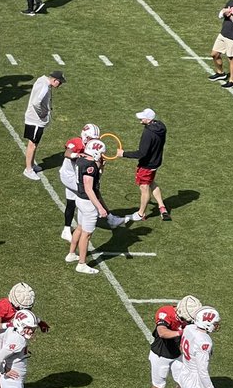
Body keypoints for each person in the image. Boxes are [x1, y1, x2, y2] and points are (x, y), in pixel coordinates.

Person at [146, 296, 199, 388]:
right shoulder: (166, 312)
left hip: (177, 354)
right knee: (158, 386)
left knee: (183, 382)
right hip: (161, 355)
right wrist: (181, 332)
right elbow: (162, 332)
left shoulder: (189, 318)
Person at [67, 138, 119, 275]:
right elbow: (90, 189)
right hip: (87, 202)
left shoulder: (82, 160)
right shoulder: (89, 166)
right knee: (87, 234)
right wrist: (101, 208)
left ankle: (71, 253)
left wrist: (101, 167)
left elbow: (94, 178)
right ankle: (82, 264)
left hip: (79, 198)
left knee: (79, 227)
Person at [117, 109, 171, 221]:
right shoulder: (161, 126)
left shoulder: (148, 133)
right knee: (151, 182)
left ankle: (141, 213)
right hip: (156, 162)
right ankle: (162, 207)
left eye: (142, 118)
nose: (140, 120)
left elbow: (141, 153)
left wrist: (123, 154)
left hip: (147, 165)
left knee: (144, 187)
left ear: (149, 119)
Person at [22, 70, 64, 179]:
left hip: (35, 119)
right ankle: (28, 169)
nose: (60, 85)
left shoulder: (42, 81)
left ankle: (31, 165)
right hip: (35, 120)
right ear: (55, 80)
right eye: (60, 82)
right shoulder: (45, 87)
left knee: (34, 144)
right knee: (32, 144)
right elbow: (36, 102)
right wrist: (41, 113)